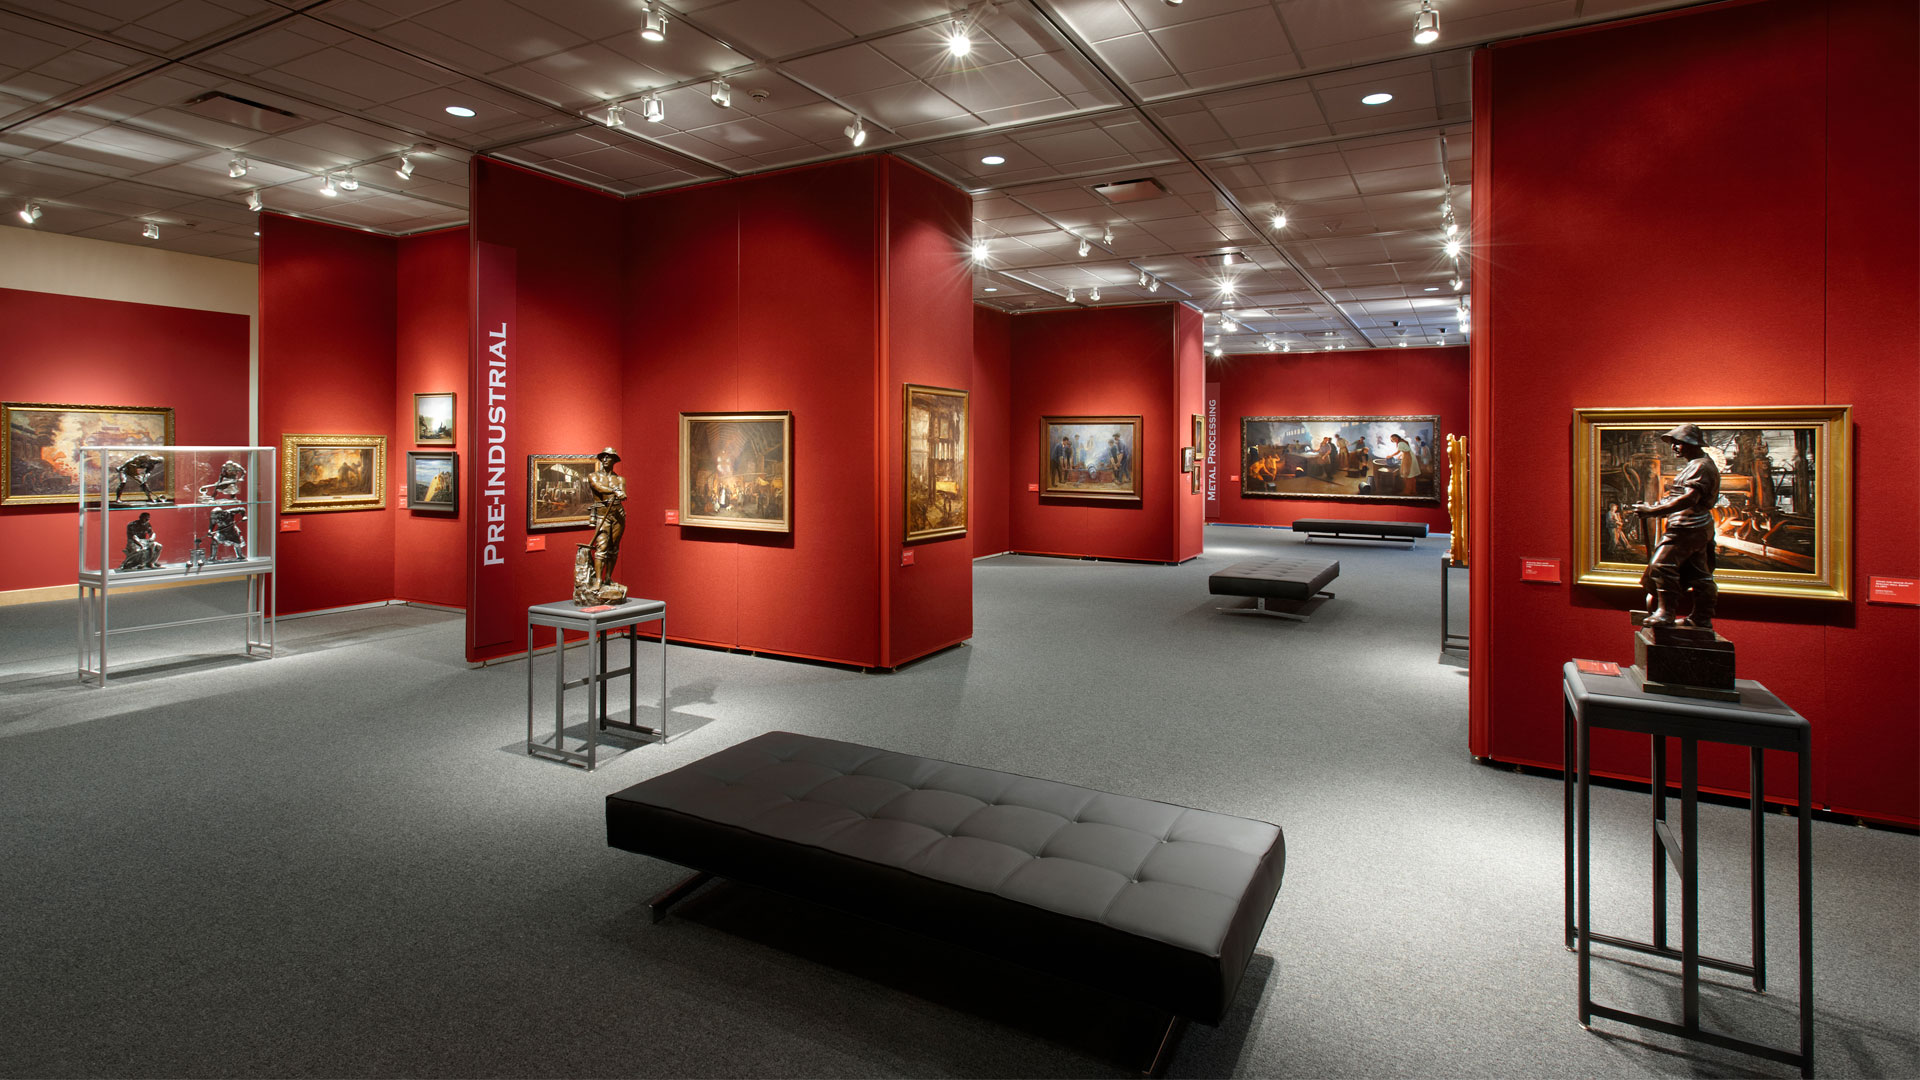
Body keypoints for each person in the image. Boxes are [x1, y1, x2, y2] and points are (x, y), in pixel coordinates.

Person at [1630, 423, 1721, 627]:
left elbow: (1689, 499)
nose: (1674, 447)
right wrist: (1654, 506)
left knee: (1661, 566)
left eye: (1678, 443)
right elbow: (1677, 496)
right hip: (1691, 525)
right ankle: (1702, 618)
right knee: (1699, 575)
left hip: (1689, 527)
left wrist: (1652, 512)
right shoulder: (1696, 464)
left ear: (1692, 443)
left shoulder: (1701, 466)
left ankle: (1665, 613)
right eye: (1673, 443)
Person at [577, 447, 627, 605]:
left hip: (618, 515)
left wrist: (620, 493)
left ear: (614, 460)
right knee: (602, 547)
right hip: (602, 515)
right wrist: (615, 491)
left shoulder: (620, 479)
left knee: (614, 548)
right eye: (603, 457)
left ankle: (608, 578)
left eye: (608, 457)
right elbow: (598, 487)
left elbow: (623, 493)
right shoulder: (594, 476)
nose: (605, 459)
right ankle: (598, 581)